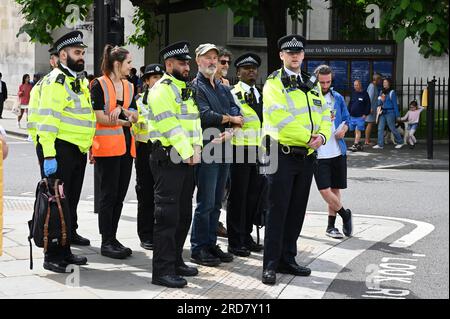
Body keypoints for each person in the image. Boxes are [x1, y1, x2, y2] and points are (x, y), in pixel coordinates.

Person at [261, 34, 332, 285]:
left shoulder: (311, 83)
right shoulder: (273, 83)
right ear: (281, 55)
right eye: (289, 53)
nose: (294, 56)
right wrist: (309, 138)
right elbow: (280, 119)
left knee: (296, 210)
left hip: (307, 156)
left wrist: (322, 136)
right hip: (282, 153)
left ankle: (287, 259)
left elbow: (324, 113)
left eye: (298, 52)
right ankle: (269, 265)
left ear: (303, 55)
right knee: (276, 210)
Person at [33, 30, 96, 273]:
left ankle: (66, 250)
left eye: (82, 52)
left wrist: (87, 145)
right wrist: (49, 155)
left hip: (75, 150)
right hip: (58, 150)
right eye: (77, 52)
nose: (81, 56)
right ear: (62, 55)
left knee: (68, 204)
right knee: (55, 203)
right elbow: (48, 122)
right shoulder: (55, 82)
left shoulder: (77, 81)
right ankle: (52, 255)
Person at [147, 41, 203, 288]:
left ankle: (176, 260)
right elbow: (170, 125)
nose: (187, 66)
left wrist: (198, 148)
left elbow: (195, 123)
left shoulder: (185, 89)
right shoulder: (162, 89)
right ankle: (162, 270)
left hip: (186, 158)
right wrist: (189, 151)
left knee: (182, 214)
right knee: (167, 216)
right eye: (182, 62)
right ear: (169, 65)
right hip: (169, 157)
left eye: (188, 62)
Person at [190, 43, 242, 267]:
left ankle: (210, 242)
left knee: (217, 202)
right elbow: (204, 115)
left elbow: (235, 110)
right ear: (198, 61)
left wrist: (232, 128)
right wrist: (231, 120)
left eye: (214, 58)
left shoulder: (222, 87)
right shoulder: (195, 87)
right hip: (208, 149)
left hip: (225, 148)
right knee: (206, 201)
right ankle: (198, 247)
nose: (212, 61)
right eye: (207, 58)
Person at [90, 45, 138, 260]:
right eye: (129, 62)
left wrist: (126, 113)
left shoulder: (129, 86)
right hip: (107, 148)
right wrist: (121, 119)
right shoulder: (98, 84)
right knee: (108, 195)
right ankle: (106, 240)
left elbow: (135, 114)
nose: (131, 66)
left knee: (119, 195)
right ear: (117, 64)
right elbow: (100, 118)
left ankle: (113, 237)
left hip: (127, 148)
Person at [226, 52, 265, 257]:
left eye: (254, 68)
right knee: (238, 197)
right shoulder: (232, 93)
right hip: (239, 149)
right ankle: (235, 240)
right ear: (238, 72)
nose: (251, 71)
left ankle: (247, 235)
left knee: (253, 197)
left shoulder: (261, 93)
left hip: (258, 151)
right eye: (246, 68)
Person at [313, 65, 353, 239]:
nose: (325, 85)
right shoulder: (310, 96)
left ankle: (331, 226)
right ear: (316, 79)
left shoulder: (336, 97)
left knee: (335, 189)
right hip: (318, 152)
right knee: (324, 190)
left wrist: (344, 128)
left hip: (337, 150)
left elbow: (347, 118)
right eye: (322, 82)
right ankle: (345, 214)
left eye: (328, 81)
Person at [133, 63, 164, 250]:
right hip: (144, 149)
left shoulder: (167, 98)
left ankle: (159, 232)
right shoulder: (138, 101)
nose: (158, 81)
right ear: (146, 81)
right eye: (154, 78)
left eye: (160, 78)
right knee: (145, 193)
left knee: (161, 194)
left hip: (161, 149)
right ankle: (145, 234)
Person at [27, 46, 59, 144]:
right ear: (52, 62)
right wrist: (39, 145)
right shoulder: (42, 85)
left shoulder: (79, 83)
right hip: (52, 144)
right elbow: (33, 118)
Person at [373, 78, 404, 149]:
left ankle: (400, 141)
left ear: (389, 83)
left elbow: (395, 104)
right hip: (383, 112)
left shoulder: (392, 92)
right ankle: (380, 144)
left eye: (386, 82)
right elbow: (379, 103)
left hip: (390, 112)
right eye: (384, 82)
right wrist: (381, 100)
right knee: (380, 128)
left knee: (392, 128)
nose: (384, 84)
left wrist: (397, 115)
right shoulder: (381, 92)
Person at [348, 80, 371, 152]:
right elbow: (350, 103)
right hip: (352, 116)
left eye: (357, 85)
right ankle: (358, 143)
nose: (355, 87)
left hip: (360, 116)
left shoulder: (365, 94)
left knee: (357, 130)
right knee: (355, 130)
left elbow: (368, 105)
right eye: (354, 85)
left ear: (360, 85)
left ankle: (355, 145)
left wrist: (365, 114)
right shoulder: (353, 93)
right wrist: (348, 112)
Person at [365, 73, 382, 145]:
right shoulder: (372, 86)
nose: (380, 81)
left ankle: (367, 139)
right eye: (379, 79)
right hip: (371, 109)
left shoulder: (373, 86)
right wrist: (370, 108)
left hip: (373, 108)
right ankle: (367, 141)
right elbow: (369, 98)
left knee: (370, 124)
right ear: (376, 79)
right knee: (369, 124)